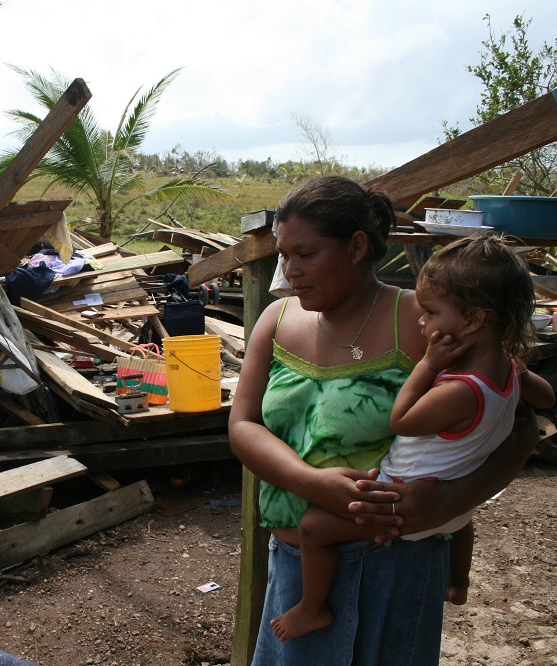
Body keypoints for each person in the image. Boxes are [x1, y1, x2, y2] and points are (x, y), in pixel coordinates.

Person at [228, 175, 540, 665]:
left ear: (355, 247)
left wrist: (453, 499)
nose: (289, 271)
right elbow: (243, 425)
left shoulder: (425, 322)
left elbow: (520, 418)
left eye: (305, 254)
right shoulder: (277, 319)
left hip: (397, 565)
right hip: (300, 566)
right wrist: (314, 484)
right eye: (284, 255)